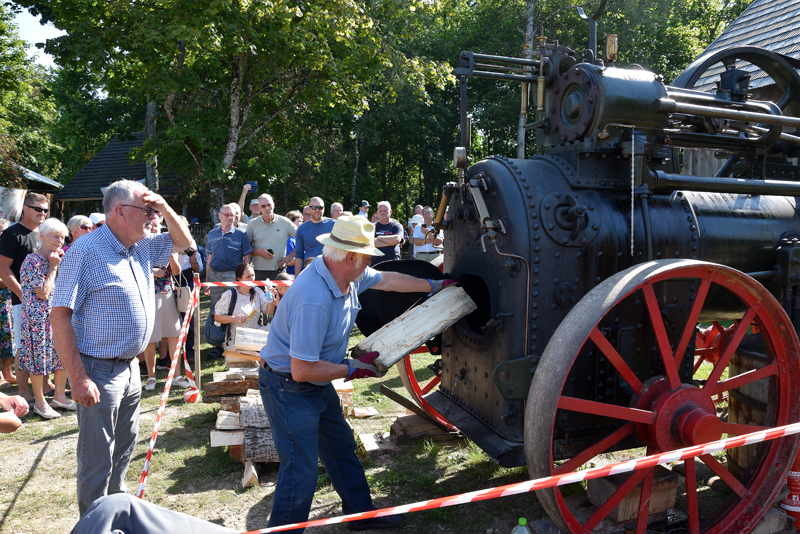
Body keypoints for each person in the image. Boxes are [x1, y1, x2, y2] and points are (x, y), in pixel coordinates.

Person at [259, 215, 455, 532]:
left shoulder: (346, 275)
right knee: (302, 471)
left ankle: (360, 516)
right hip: (288, 388)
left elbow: (388, 280)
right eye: (366, 257)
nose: (369, 264)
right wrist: (353, 369)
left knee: (342, 450)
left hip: (315, 384)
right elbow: (301, 370)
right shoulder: (315, 298)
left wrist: (433, 285)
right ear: (350, 256)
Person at [50, 179, 192, 515]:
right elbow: (59, 318)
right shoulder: (85, 252)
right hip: (98, 370)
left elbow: (184, 241)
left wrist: (163, 205)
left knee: (124, 448)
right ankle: (94, 522)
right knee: (97, 460)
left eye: (152, 211)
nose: (151, 217)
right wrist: (78, 377)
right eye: (146, 211)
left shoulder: (140, 245)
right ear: (120, 212)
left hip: (130, 369)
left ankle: (116, 514)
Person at [19, 218, 75, 419]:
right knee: (38, 361)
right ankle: (40, 403)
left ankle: (59, 397)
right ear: (42, 236)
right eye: (55, 236)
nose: (60, 241)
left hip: (56, 316)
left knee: (62, 356)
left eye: (62, 237)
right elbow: (43, 292)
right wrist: (53, 267)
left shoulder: (57, 258)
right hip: (37, 320)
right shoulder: (32, 261)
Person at [0, 192, 50, 403]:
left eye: (45, 210)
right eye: (38, 209)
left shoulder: (44, 232)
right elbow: (3, 268)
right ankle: (23, 391)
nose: (42, 213)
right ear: (26, 209)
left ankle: (46, 385)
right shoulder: (12, 234)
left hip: (46, 299)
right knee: (23, 346)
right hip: (22, 301)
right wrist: (22, 292)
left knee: (45, 342)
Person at [141, 213, 189, 392]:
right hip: (145, 295)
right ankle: (151, 377)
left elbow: (176, 272)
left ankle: (176, 375)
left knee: (173, 334)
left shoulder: (166, 243)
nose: (153, 228)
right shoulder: (139, 244)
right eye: (149, 225)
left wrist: (171, 257)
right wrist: (151, 271)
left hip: (167, 293)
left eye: (156, 226)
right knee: (150, 337)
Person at [205, 203, 253, 322]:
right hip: (214, 275)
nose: (229, 217)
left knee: (234, 306)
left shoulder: (241, 234)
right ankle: (215, 335)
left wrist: (244, 278)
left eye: (232, 215)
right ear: (219, 216)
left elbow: (247, 258)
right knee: (215, 307)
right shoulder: (212, 234)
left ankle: (232, 334)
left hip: (233, 275)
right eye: (226, 214)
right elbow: (209, 259)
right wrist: (207, 281)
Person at [214, 263, 274, 351]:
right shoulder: (230, 295)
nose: (251, 279)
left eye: (253, 275)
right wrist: (234, 318)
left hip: (255, 333)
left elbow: (269, 311)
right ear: (239, 278)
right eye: (248, 276)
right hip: (237, 338)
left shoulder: (257, 291)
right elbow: (217, 317)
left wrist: (271, 298)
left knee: (275, 328)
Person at [246, 194, 296, 281]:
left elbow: (302, 238)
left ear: (273, 205)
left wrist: (290, 256)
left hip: (279, 269)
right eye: (263, 206)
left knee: (280, 295)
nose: (267, 208)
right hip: (258, 271)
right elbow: (246, 248)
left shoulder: (285, 222)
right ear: (259, 208)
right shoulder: (252, 224)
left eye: (269, 205)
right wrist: (258, 251)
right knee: (259, 295)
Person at [294, 197, 335, 275]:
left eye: (320, 207)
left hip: (330, 271)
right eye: (313, 207)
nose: (317, 210)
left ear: (324, 209)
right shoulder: (302, 229)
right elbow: (299, 255)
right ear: (309, 209)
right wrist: (297, 278)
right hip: (309, 271)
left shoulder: (334, 225)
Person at [0, 219, 15, 387]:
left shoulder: (7, 248)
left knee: (8, 337)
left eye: (4, 231)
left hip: (7, 300)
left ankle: (8, 373)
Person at [371, 201, 404, 265]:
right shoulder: (372, 227)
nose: (382, 212)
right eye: (380, 211)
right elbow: (370, 243)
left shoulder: (396, 225)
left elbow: (396, 239)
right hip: (375, 265)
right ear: (377, 212)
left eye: (385, 210)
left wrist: (378, 238)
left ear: (390, 212)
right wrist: (390, 243)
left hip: (392, 264)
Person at [285, 210, 302, 277]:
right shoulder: (289, 240)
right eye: (299, 221)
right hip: (291, 275)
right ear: (291, 223)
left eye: (302, 221)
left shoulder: (298, 238)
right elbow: (288, 262)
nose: (301, 224)